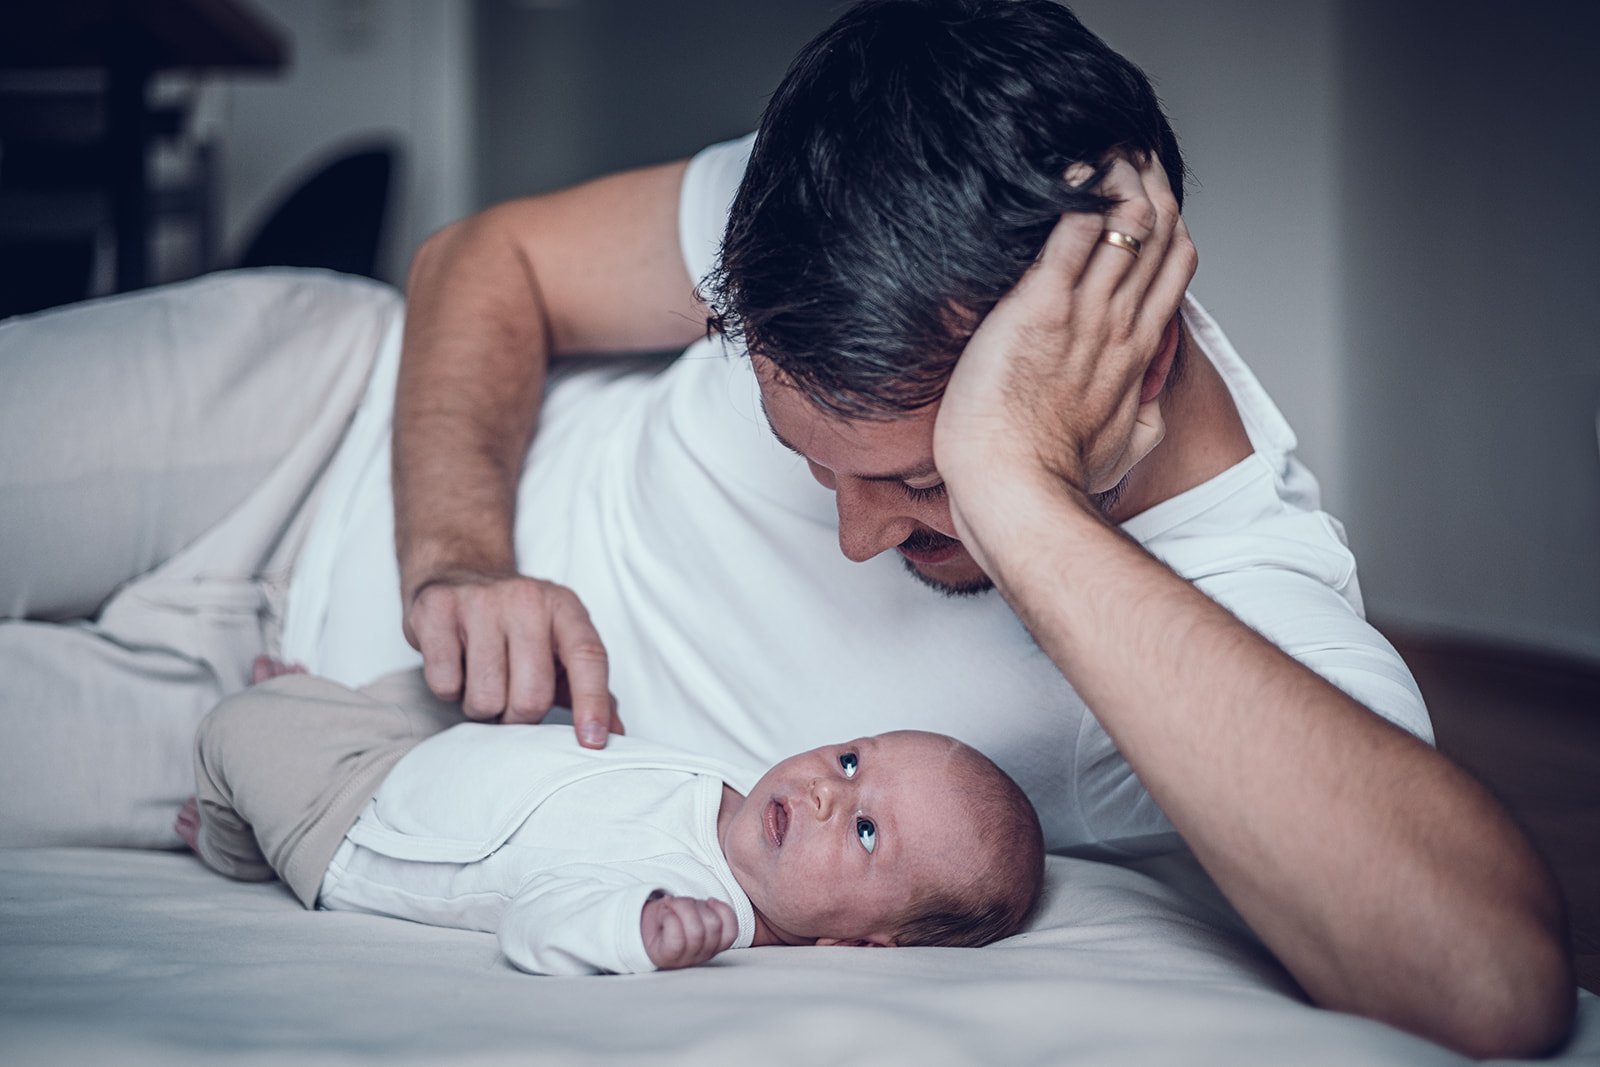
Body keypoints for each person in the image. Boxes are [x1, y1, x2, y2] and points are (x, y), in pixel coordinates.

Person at [0, 0, 1572, 1055]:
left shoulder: (1233, 585)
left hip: (292, 760)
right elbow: (489, 262)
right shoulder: (848, 205)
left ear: (1126, 355)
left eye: (918, 479)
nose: (854, 540)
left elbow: (1496, 981)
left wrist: (1018, 490)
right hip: (310, 418)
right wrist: (459, 551)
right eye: (818, 465)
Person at [177, 667, 1045, 974]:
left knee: (236, 725)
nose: (827, 790)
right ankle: (318, 700)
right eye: (854, 762)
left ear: (861, 946)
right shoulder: (747, 806)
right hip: (435, 749)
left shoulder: (691, 900)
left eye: (864, 832)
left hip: (359, 816)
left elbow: (537, 925)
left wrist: (635, 931)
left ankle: (240, 835)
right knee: (435, 675)